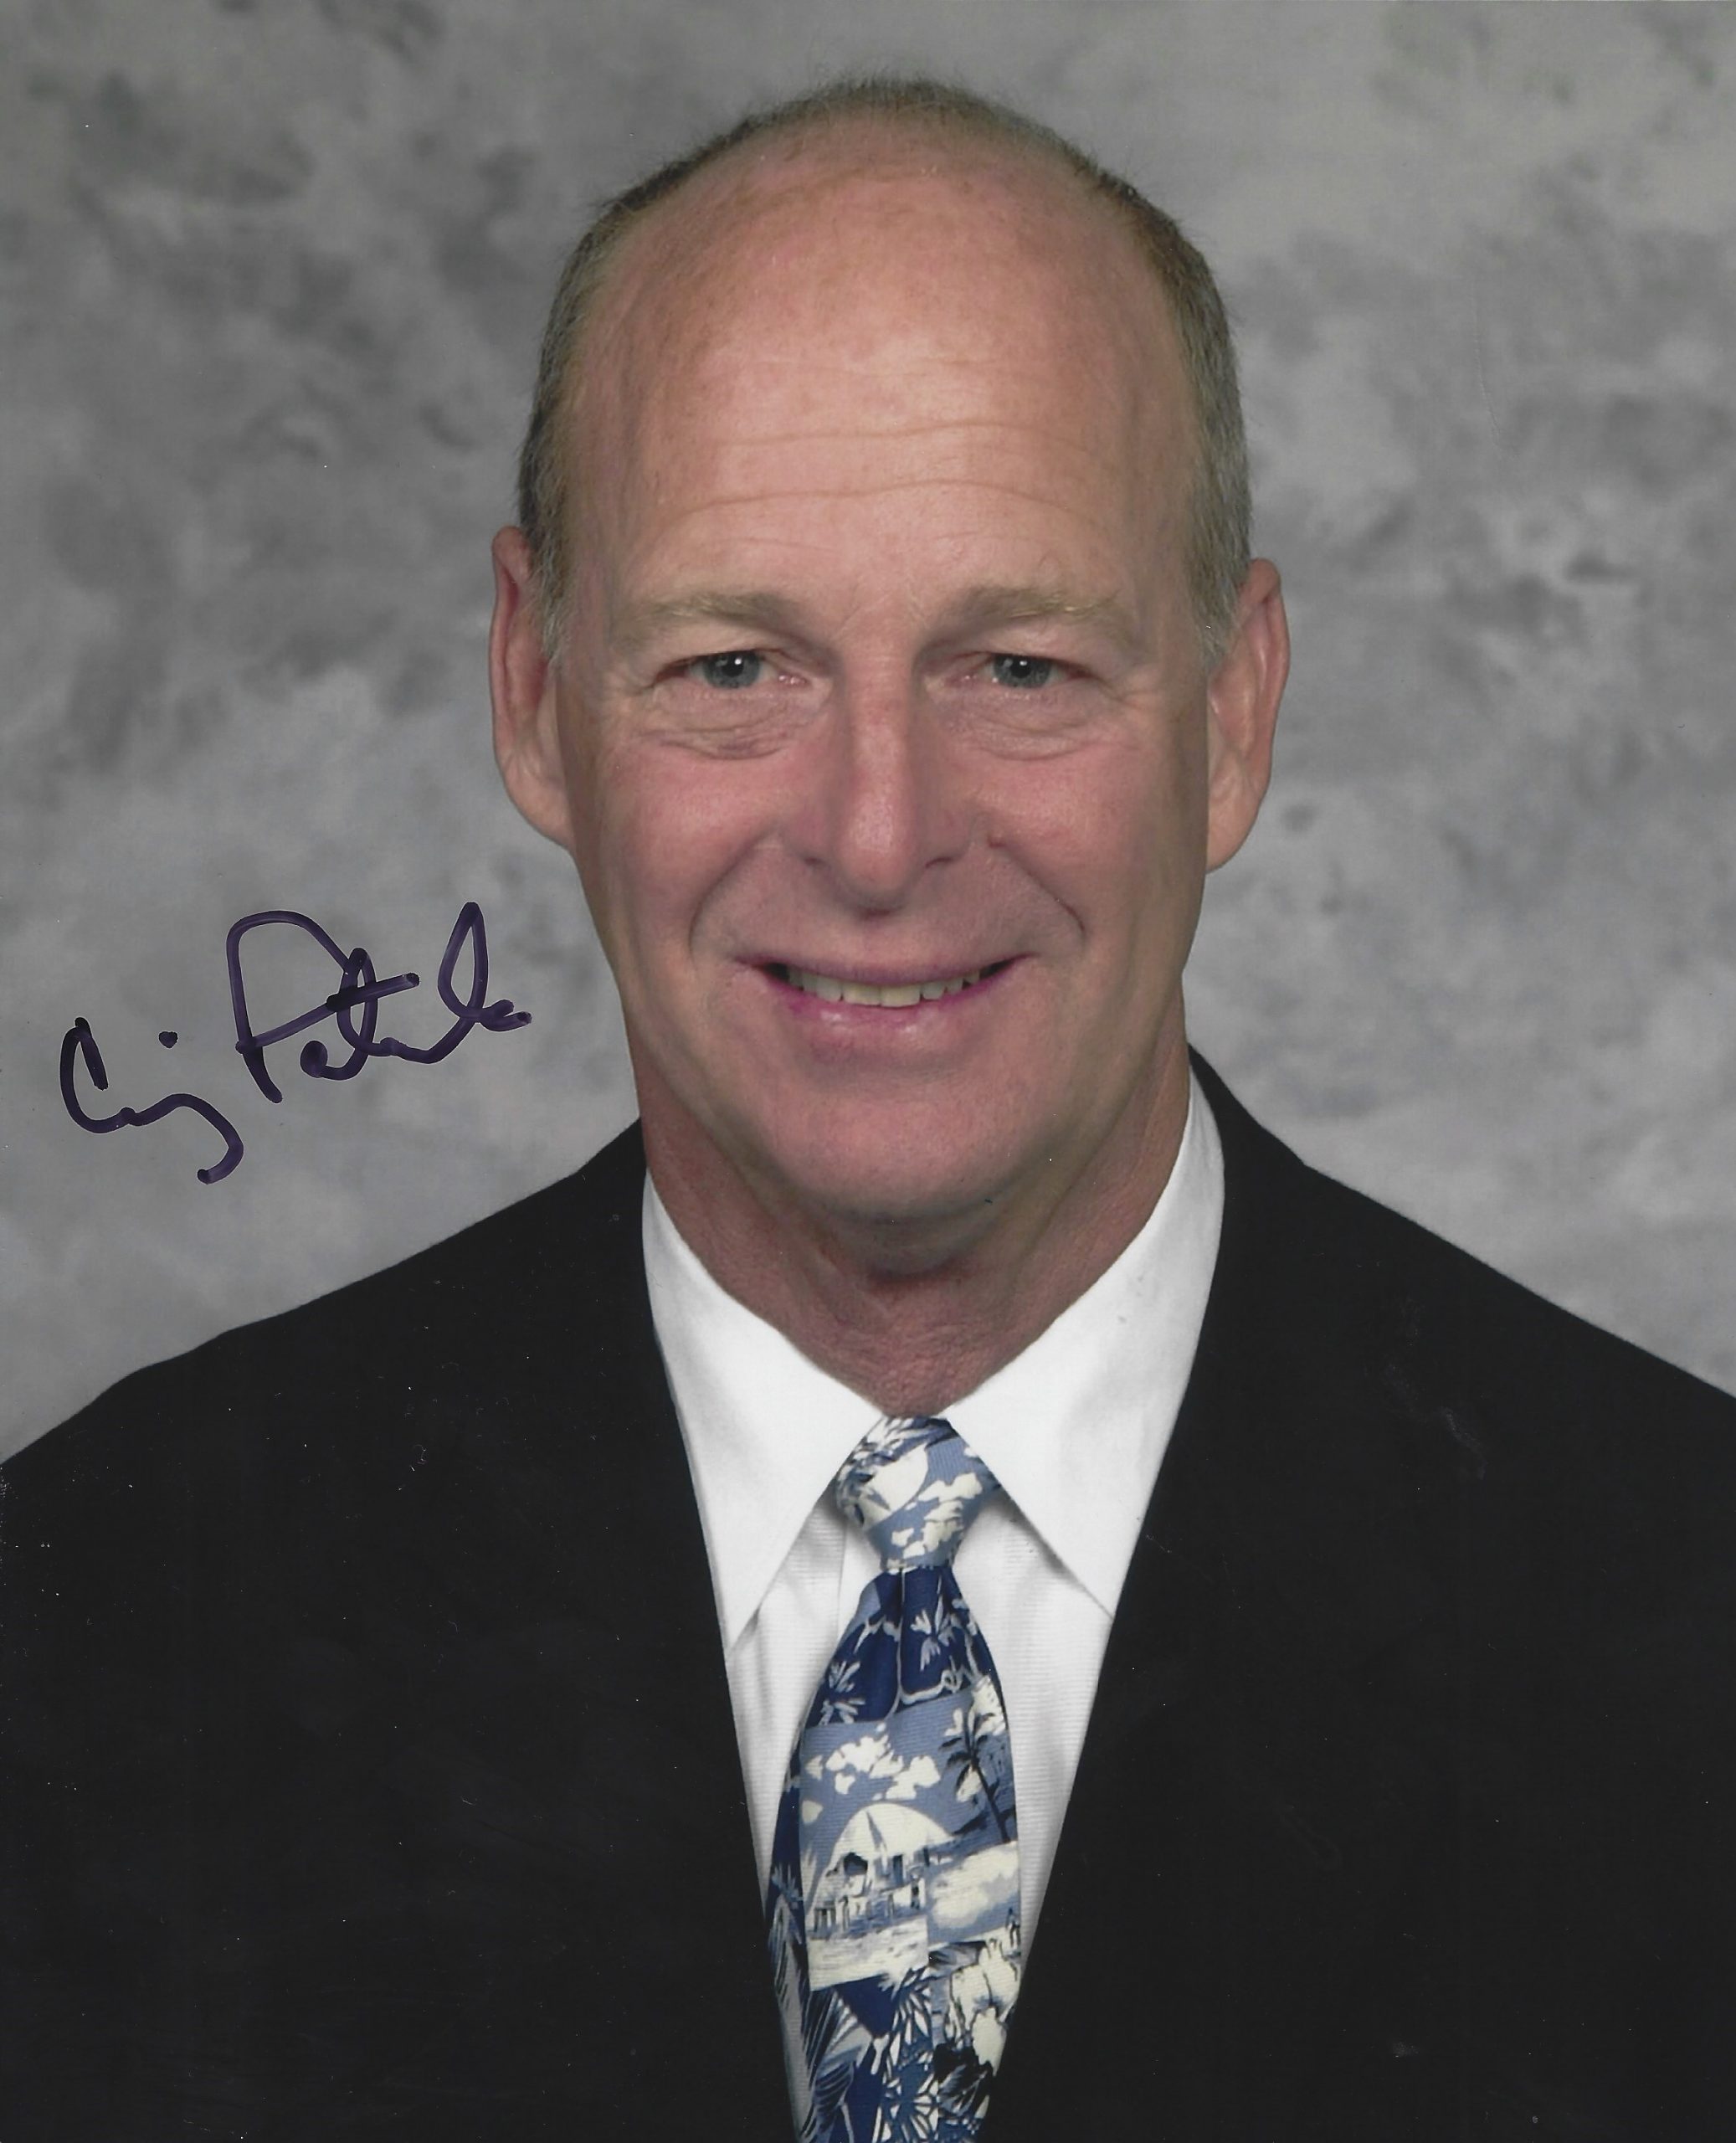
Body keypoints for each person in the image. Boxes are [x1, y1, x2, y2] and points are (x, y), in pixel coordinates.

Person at [3, 76, 1732, 2143]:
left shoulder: (1683, 1625)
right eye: (736, 666)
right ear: (533, 689)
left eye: (1019, 666)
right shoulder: (100, 1633)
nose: (879, 834)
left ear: (1231, 709)